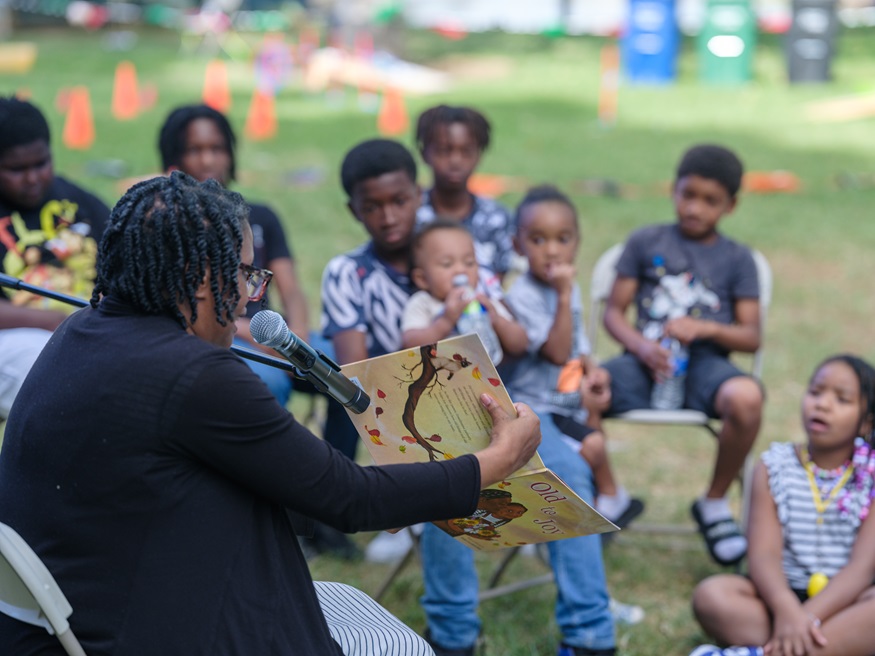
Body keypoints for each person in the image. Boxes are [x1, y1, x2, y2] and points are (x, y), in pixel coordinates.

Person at [0, 172, 542, 656]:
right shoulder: (194, 375)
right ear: (196, 275)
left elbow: (261, 481)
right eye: (242, 274)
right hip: (141, 630)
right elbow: (351, 500)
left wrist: (383, 488)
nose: (248, 298)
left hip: (67, 623)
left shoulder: (81, 332)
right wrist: (496, 460)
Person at [602, 144, 763, 567]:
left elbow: (752, 336)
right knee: (581, 388)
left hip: (706, 368)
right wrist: (639, 345)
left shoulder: (737, 258)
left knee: (746, 398)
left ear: (731, 205)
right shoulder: (644, 241)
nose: (694, 208)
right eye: (687, 194)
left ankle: (713, 504)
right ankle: (607, 495)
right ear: (674, 189)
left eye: (710, 201)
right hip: (644, 361)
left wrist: (706, 328)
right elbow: (614, 312)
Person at [688, 354, 875, 656]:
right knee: (713, 596)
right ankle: (828, 646)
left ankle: (765, 652)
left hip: (845, 605)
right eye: (816, 392)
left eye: (842, 399)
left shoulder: (871, 475)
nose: (822, 404)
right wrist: (789, 613)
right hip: (778, 602)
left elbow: (862, 569)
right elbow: (763, 555)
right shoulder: (773, 466)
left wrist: (807, 618)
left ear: (866, 422)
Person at [501, 185, 644, 529]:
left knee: (594, 428)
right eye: (538, 240)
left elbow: (576, 344)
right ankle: (604, 505)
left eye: (562, 239)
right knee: (592, 447)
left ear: (576, 242)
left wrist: (593, 370)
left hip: (567, 399)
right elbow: (555, 352)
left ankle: (600, 506)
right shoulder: (523, 296)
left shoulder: (567, 287)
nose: (552, 251)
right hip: (535, 409)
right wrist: (564, 297)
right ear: (517, 245)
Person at [158, 104, 310, 406]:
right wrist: (252, 334)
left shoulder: (262, 216)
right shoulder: (171, 225)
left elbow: (291, 289)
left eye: (217, 149)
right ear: (174, 160)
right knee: (269, 379)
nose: (208, 160)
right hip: (221, 333)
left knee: (343, 368)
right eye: (195, 150)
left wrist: (295, 341)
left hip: (274, 330)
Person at [320, 137, 424, 562]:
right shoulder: (348, 273)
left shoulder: (452, 257)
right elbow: (357, 373)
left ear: (419, 195)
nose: (388, 217)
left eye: (399, 201)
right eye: (373, 207)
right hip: (391, 403)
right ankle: (406, 509)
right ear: (354, 210)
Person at [0, 96, 110, 419]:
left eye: (42, 163)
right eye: (16, 169)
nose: (33, 178)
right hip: (20, 342)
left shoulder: (81, 202)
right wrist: (56, 322)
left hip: (91, 334)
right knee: (66, 380)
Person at [414, 104, 516, 282]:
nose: (455, 161)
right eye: (444, 151)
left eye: (466, 151)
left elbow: (499, 280)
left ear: (479, 154)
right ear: (424, 153)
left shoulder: (497, 218)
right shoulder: (412, 215)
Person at [400, 219, 526, 360]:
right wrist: (445, 322)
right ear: (422, 279)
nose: (461, 270)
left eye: (469, 263)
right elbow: (410, 346)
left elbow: (520, 345)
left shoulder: (482, 301)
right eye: (447, 264)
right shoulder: (423, 303)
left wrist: (497, 320)